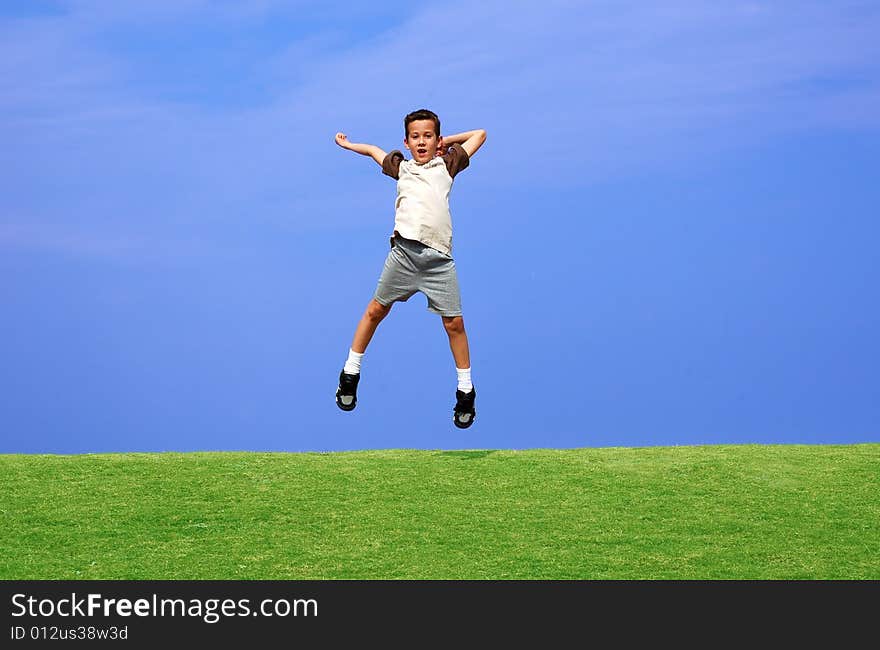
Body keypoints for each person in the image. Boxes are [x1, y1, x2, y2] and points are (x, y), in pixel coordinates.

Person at [333, 108, 487, 428]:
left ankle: (465, 390)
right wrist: (349, 145)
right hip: (403, 254)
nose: (421, 142)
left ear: (437, 140)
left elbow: (480, 134)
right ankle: (350, 372)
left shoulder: (447, 164)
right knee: (376, 310)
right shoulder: (400, 167)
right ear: (406, 141)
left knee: (454, 323)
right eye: (415, 137)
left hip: (438, 261)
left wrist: (448, 142)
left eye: (428, 136)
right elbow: (374, 151)